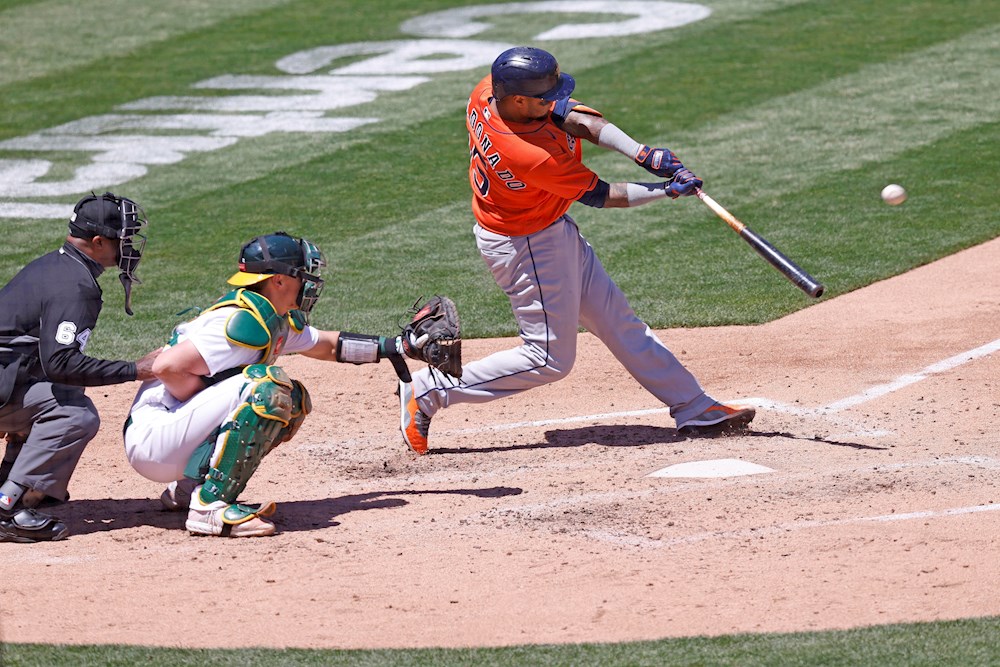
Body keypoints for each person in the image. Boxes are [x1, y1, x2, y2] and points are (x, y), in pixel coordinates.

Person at [398, 46, 755, 455]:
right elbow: (604, 195)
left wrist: (643, 154)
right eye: (543, 96)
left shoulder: (488, 92)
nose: (553, 99)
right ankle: (427, 390)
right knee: (548, 357)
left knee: (618, 321)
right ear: (518, 100)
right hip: (526, 247)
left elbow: (570, 114)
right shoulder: (528, 156)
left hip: (548, 231)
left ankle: (694, 407)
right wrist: (665, 190)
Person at [124, 231, 431, 538]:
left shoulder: (269, 317)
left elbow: (326, 345)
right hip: (154, 439)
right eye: (302, 275)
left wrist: (397, 347)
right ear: (279, 280)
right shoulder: (240, 325)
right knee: (267, 390)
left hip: (173, 433)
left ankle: (188, 486)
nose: (310, 283)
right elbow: (166, 367)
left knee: (292, 400)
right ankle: (209, 508)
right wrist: (213, 397)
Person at [0, 192, 159, 543]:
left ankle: (14, 483)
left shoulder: (55, 265)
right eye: (123, 239)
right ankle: (7, 508)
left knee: (62, 391)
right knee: (74, 414)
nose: (128, 247)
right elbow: (61, 363)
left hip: (6, 377)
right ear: (99, 242)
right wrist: (136, 369)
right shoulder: (75, 285)